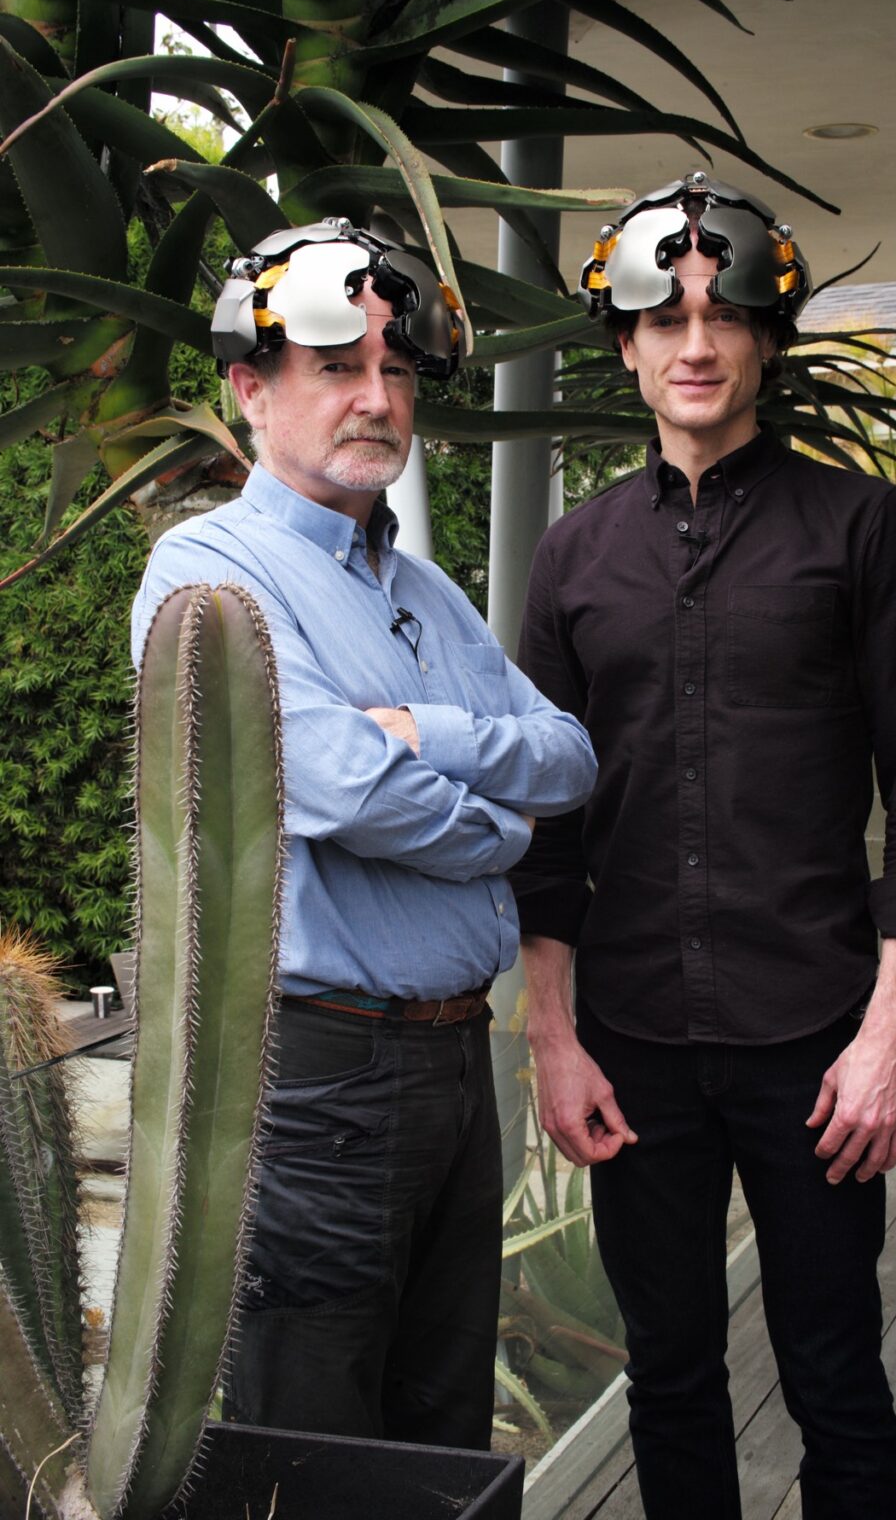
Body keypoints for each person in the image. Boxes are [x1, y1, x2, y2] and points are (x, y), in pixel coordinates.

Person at [511, 173, 896, 1518]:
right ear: (626, 345)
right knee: (668, 1376)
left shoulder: (865, 531)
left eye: (724, 318)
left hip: (816, 1041)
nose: (696, 345)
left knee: (838, 1376)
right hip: (637, 1040)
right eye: (666, 322)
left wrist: (890, 1035)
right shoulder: (572, 559)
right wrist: (555, 1035)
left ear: (768, 338)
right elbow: (547, 822)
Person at [130, 217, 597, 1451]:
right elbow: (337, 787)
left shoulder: (423, 588)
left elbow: (569, 753)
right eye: (337, 368)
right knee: (320, 1441)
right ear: (249, 388)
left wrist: (431, 733)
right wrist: (501, 835)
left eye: (395, 370)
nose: (376, 399)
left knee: (438, 1428)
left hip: (454, 1071)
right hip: (318, 1081)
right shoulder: (209, 577)